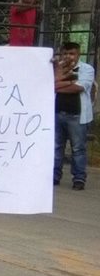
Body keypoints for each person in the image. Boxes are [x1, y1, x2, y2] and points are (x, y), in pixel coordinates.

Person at [53, 41, 94, 191]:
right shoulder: (57, 68)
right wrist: (69, 82)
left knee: (78, 148)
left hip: (77, 115)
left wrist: (58, 85)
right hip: (58, 113)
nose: (69, 57)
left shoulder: (86, 69)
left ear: (78, 55)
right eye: (66, 53)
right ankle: (55, 176)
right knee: (56, 147)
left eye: (72, 54)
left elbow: (79, 87)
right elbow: (50, 85)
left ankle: (78, 178)